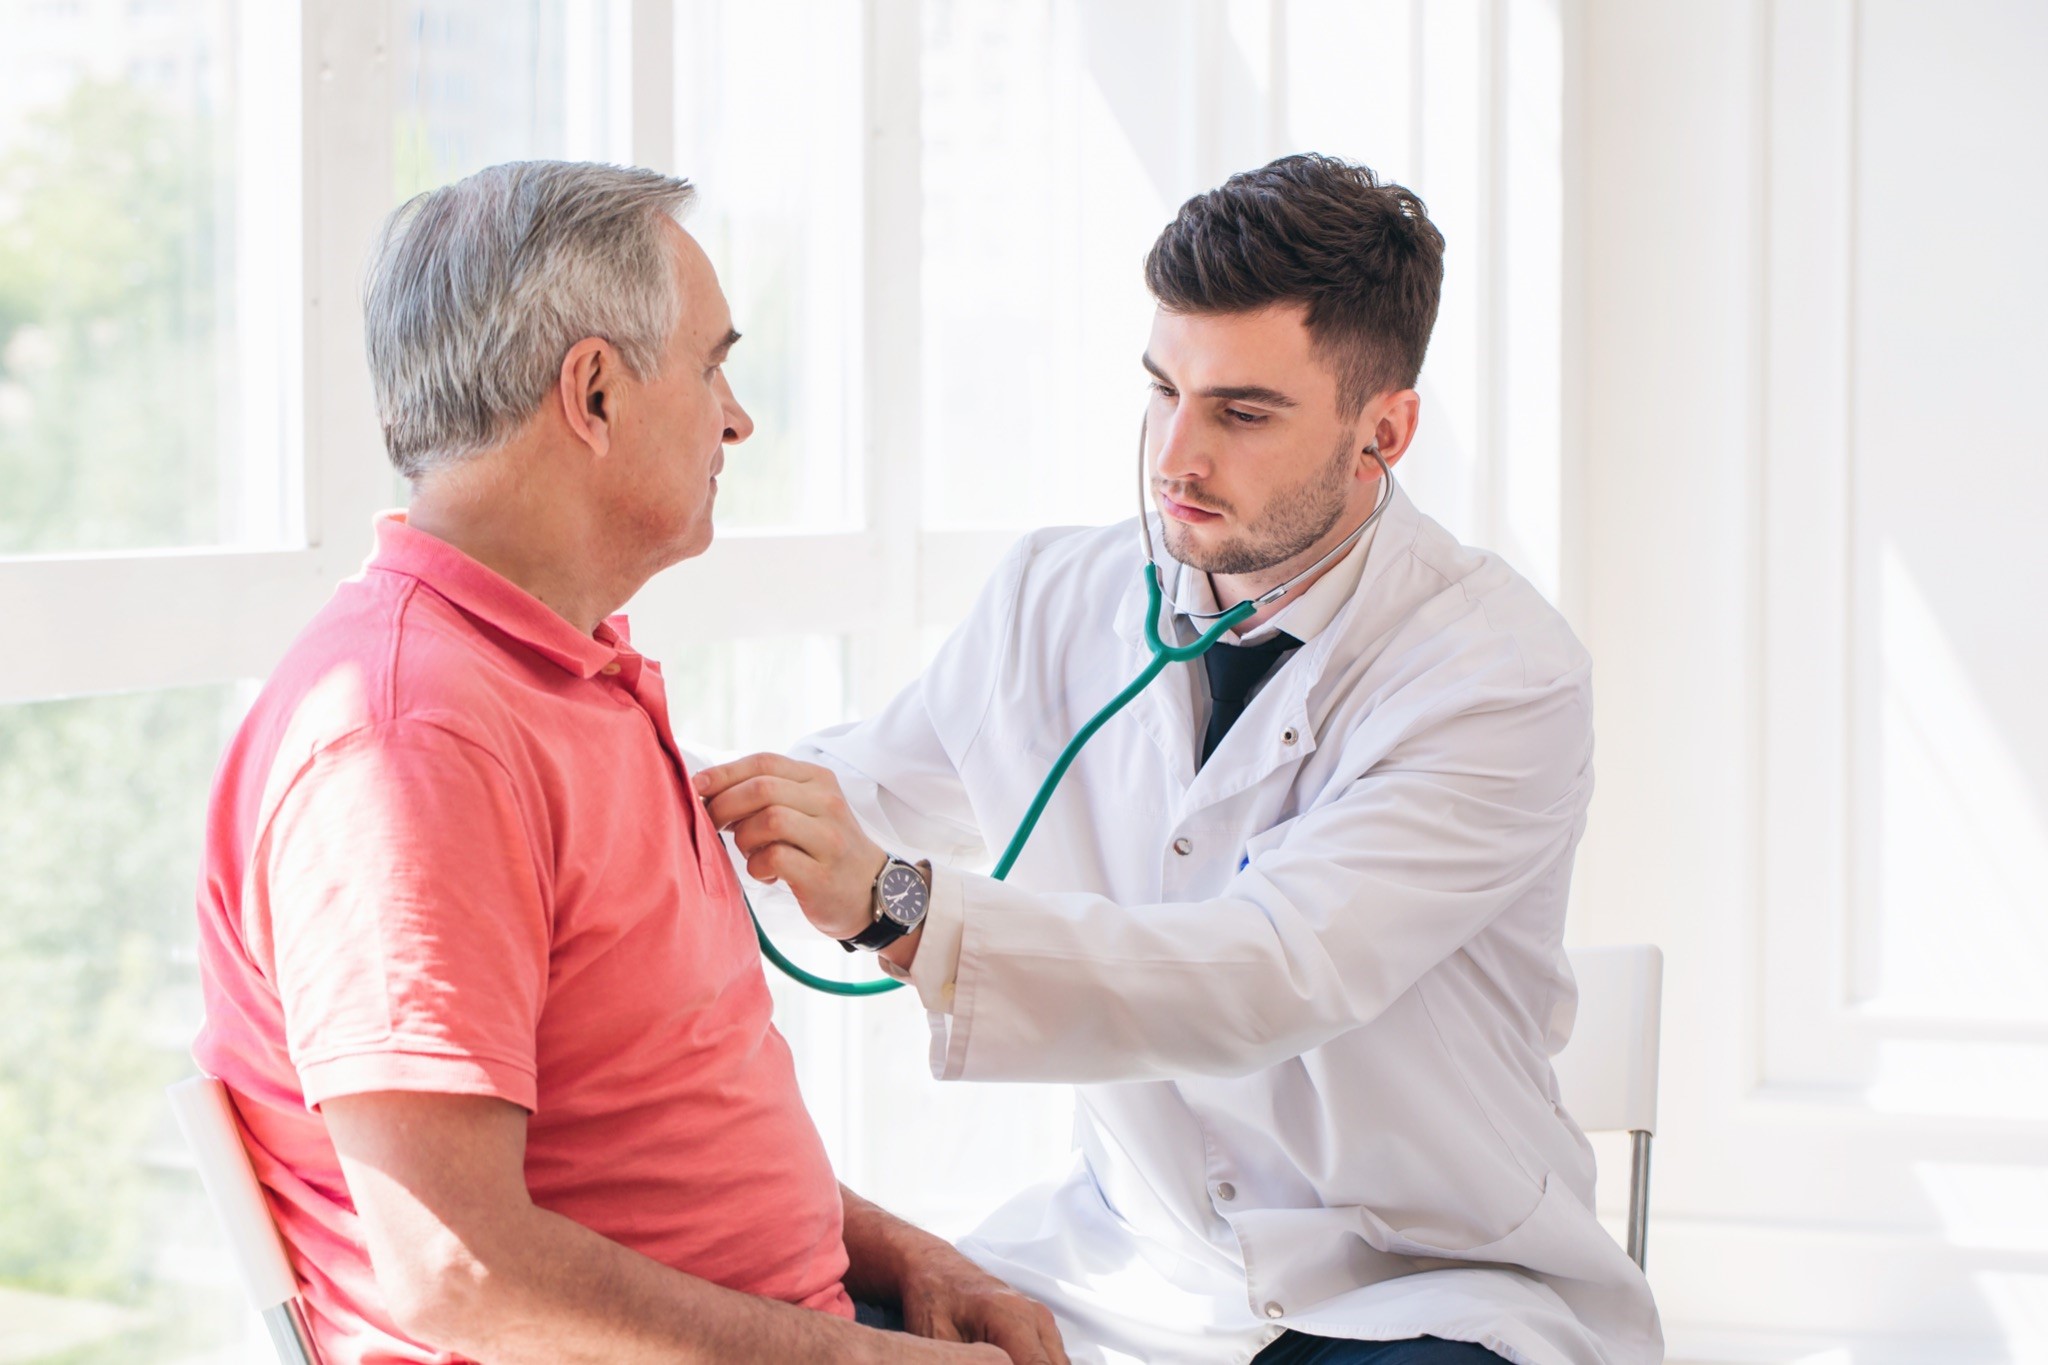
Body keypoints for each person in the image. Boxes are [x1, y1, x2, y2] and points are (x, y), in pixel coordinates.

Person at [696, 154, 1664, 1365]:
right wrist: (609, 775)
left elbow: (1265, 972)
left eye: (1241, 413)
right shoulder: (1054, 598)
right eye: (1162, 391)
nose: (1174, 457)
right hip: (1121, 1271)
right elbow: (850, 788)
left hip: (1414, 1285)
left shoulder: (1494, 672)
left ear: (1384, 433)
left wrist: (898, 906)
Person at [192, 161, 1066, 1365]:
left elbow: (656, 1134)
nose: (736, 416)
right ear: (593, 393)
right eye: (712, 365)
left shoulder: (564, 672)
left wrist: (910, 1260)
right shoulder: (410, 741)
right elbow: (458, 1272)